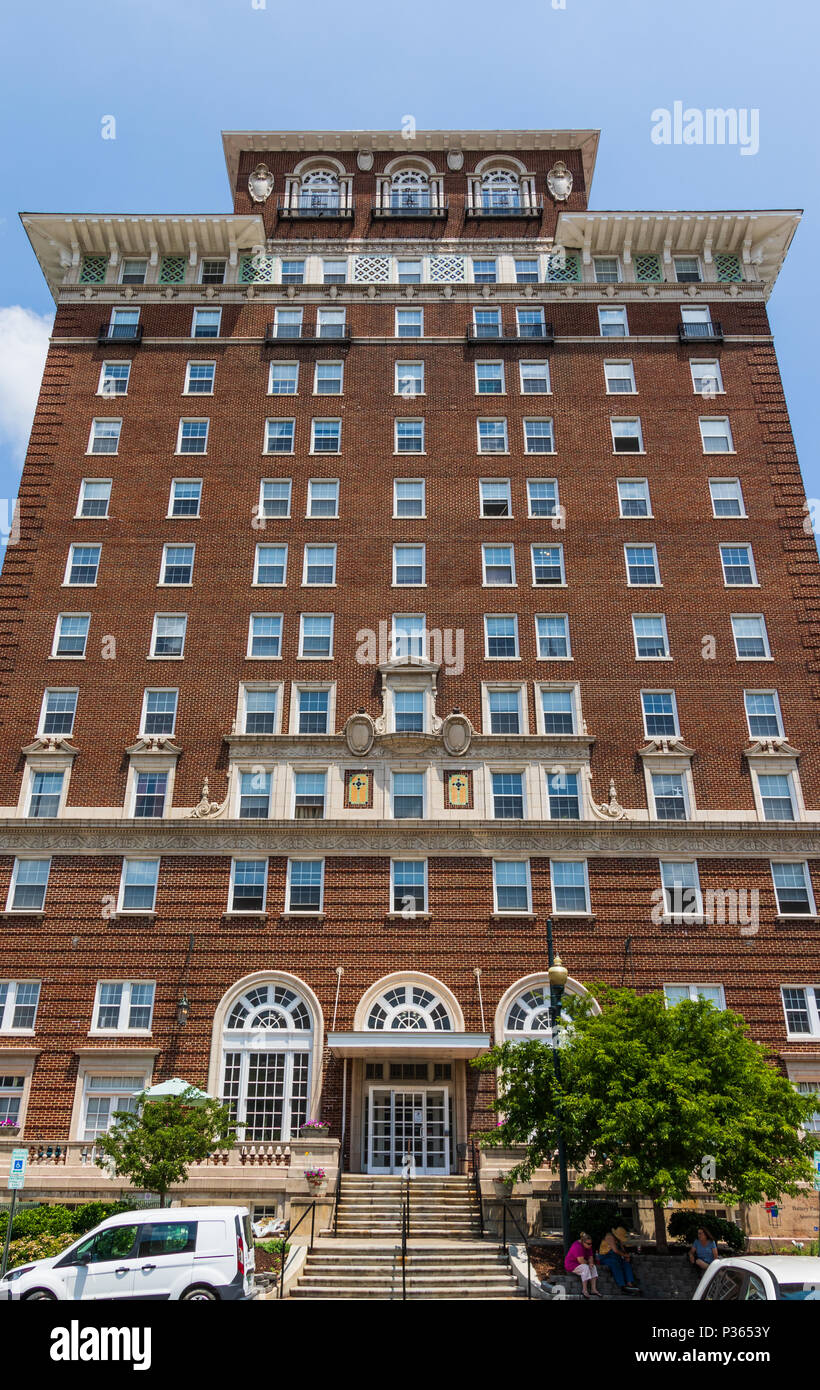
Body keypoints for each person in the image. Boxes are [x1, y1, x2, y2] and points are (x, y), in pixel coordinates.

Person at [598, 1225, 640, 1292]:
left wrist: (626, 1256)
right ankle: (622, 1285)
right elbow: (615, 1250)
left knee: (626, 1263)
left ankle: (630, 1284)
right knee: (615, 1264)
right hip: (606, 1257)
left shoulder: (618, 1240)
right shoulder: (609, 1237)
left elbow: (622, 1250)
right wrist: (625, 1255)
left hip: (616, 1257)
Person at [564, 1231, 602, 1298]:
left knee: (593, 1267)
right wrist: (588, 1263)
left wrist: (591, 1263)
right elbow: (581, 1261)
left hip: (581, 1263)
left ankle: (593, 1289)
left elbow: (591, 1257)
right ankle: (584, 1290)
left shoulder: (588, 1246)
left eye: (591, 1243)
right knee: (585, 1267)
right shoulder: (577, 1246)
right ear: (583, 1242)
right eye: (588, 1244)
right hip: (571, 1264)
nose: (590, 1245)